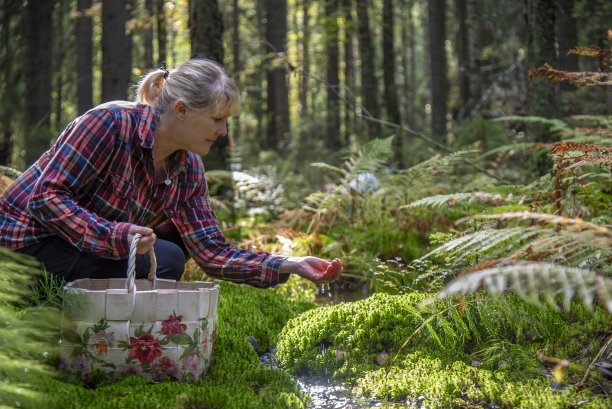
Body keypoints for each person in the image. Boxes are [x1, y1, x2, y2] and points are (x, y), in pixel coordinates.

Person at [0, 58, 341, 288]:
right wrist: (118, 236)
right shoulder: (109, 123)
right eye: (217, 119)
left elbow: (211, 250)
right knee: (165, 256)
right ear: (181, 110)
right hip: (21, 246)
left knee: (174, 246)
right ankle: (46, 312)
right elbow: (45, 199)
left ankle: (104, 325)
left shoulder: (188, 167)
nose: (223, 132)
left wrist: (288, 264)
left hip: (79, 252)